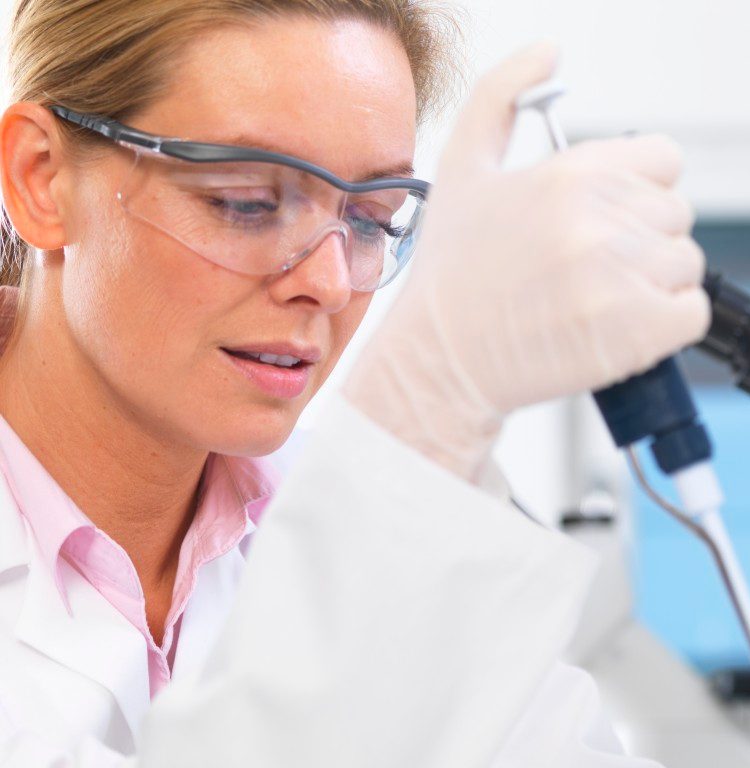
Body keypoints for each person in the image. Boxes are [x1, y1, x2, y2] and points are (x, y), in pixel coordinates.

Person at [0, 0, 707, 765]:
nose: (331, 282)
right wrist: (422, 418)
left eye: (371, 219)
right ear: (41, 179)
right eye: (245, 203)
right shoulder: (379, 523)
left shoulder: (360, 528)